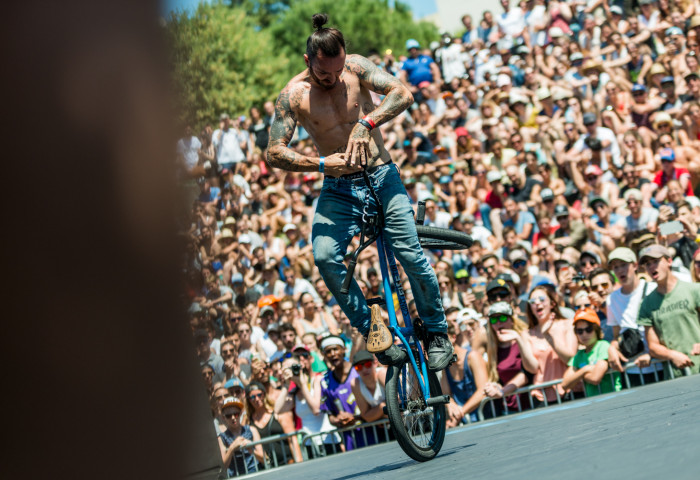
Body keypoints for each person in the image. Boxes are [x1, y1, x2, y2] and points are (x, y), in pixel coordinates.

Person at [266, 13, 453, 371]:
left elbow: (403, 93)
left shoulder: (357, 68)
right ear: (308, 61)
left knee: (411, 256)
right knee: (323, 256)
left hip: (382, 176)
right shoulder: (293, 95)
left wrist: (367, 123)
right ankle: (373, 331)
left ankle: (437, 332)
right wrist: (322, 165)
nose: (333, 79)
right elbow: (274, 151)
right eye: (324, 73)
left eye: (337, 71)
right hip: (338, 188)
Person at [637, 244, 700, 376]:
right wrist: (672, 355)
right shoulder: (646, 303)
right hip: (676, 375)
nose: (652, 267)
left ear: (669, 261)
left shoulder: (694, 290)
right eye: (647, 264)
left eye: (656, 261)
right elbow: (653, 346)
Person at [483, 302, 538, 415]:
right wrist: (494, 386)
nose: (498, 323)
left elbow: (528, 372)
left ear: (511, 320)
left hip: (531, 405)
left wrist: (503, 391)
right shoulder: (493, 349)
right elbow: (499, 379)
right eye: (494, 320)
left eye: (502, 318)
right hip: (509, 409)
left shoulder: (523, 338)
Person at [526, 286, 578, 404]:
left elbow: (571, 359)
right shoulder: (527, 334)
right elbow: (532, 368)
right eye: (532, 302)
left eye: (542, 299)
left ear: (552, 303)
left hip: (569, 392)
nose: (537, 303)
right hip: (541, 396)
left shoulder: (568, 324)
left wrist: (549, 338)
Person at [561, 308, 622, 397]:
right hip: (593, 402)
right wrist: (585, 369)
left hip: (613, 398)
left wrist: (578, 374)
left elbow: (595, 378)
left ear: (596, 329)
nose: (584, 334)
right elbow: (565, 384)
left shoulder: (603, 346)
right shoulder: (579, 355)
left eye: (589, 329)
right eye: (580, 331)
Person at [245, 381, 302, 466]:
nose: (257, 399)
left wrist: (299, 463)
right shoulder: (248, 421)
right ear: (248, 400)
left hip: (288, 463)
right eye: (252, 397)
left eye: (259, 395)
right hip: (267, 467)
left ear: (264, 395)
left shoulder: (279, 414)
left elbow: (292, 440)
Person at [441, 323, 488, 425]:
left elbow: (483, 391)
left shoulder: (473, 357)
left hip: (485, 417)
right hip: (464, 421)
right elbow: (446, 395)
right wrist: (450, 405)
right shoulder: (444, 366)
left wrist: (460, 413)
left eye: (441, 340)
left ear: (453, 338)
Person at [218, 396, 264, 477]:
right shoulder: (221, 438)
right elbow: (223, 467)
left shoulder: (252, 430)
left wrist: (251, 448)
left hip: (255, 474)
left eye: (236, 414)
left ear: (241, 413)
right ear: (223, 417)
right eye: (228, 415)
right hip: (236, 477)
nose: (233, 418)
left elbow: (263, 458)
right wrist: (232, 448)